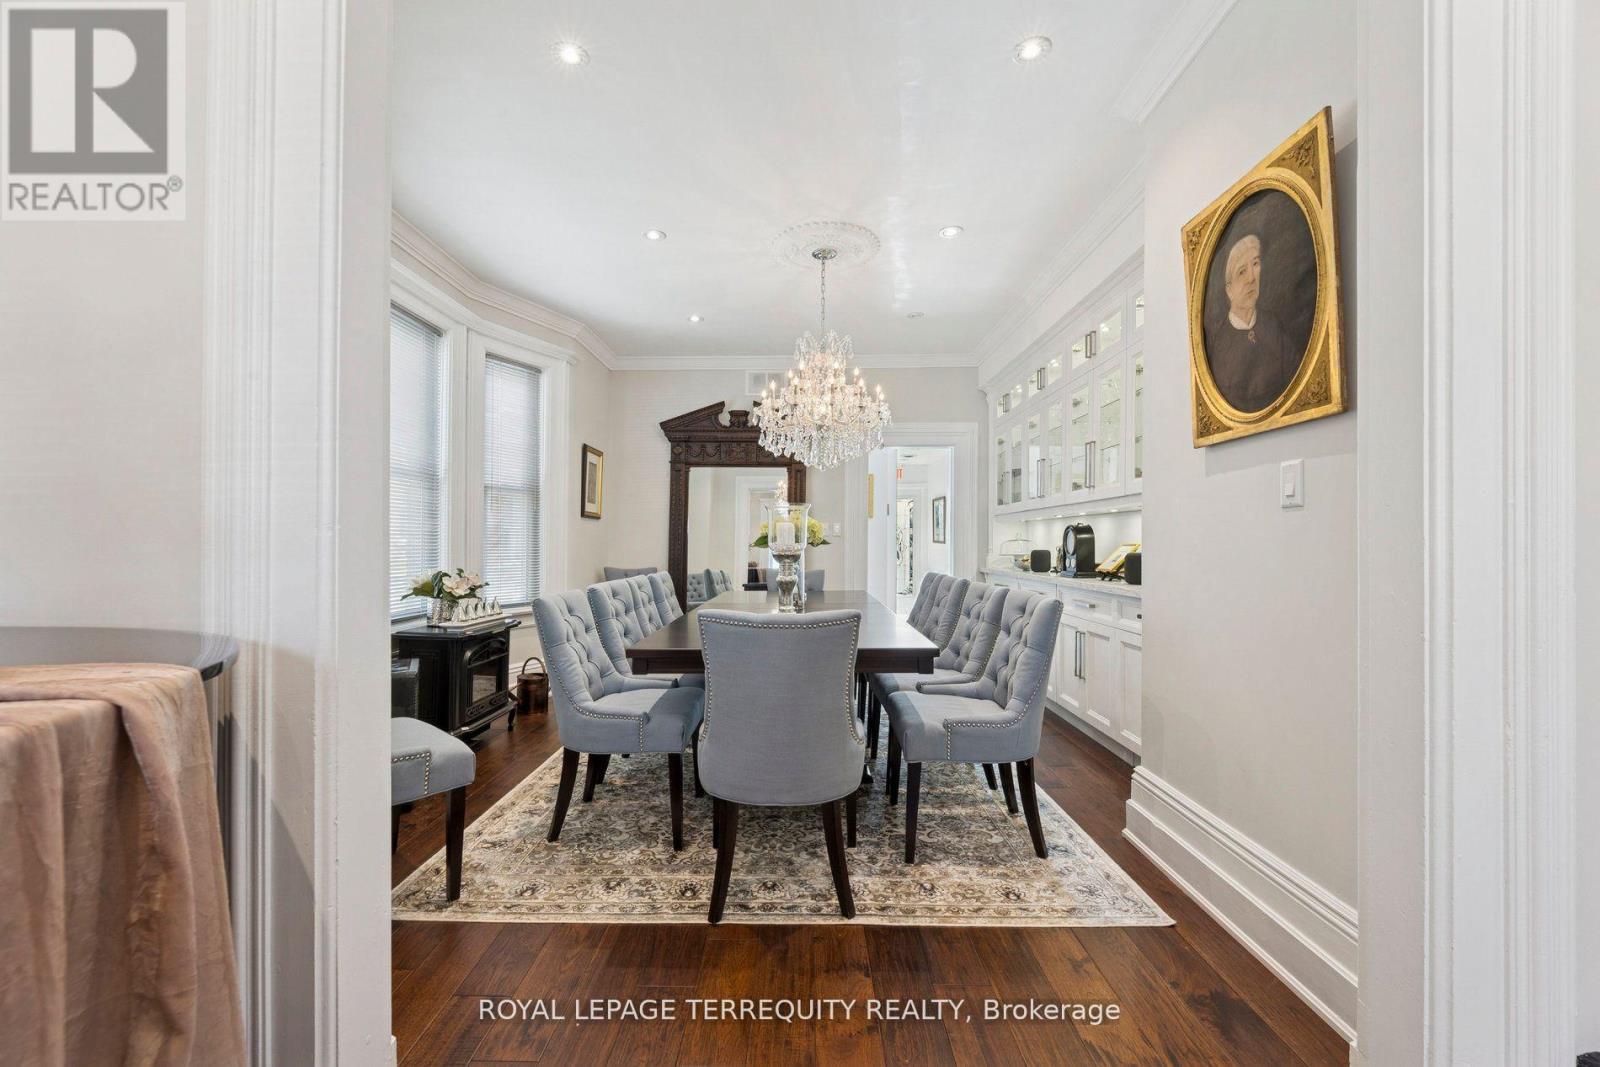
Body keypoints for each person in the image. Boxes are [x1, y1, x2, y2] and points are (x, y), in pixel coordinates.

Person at [1205, 233, 1298, 412]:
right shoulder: (1220, 345)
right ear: (1229, 290)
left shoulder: (1273, 325)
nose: (1252, 278)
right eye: (1242, 271)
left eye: (1255, 264)